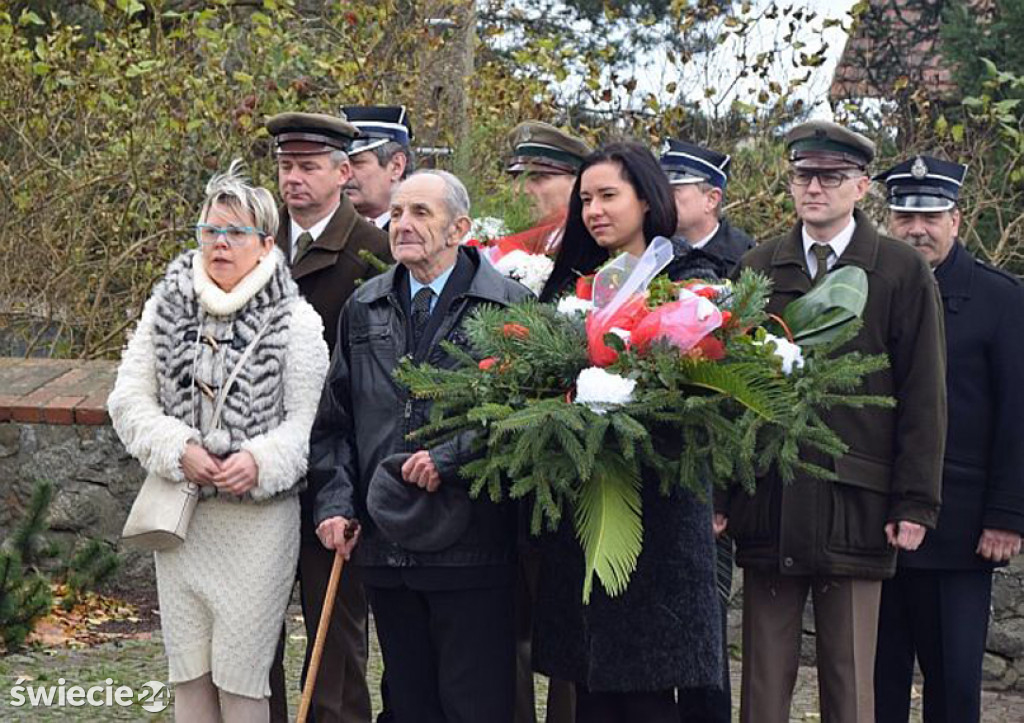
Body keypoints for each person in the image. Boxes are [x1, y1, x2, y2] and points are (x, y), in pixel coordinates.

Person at [715, 121, 947, 723]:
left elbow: (923, 396)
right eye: (802, 175)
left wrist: (915, 502)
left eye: (831, 177)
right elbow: (727, 390)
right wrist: (721, 490)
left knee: (849, 684)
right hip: (770, 498)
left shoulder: (898, 270)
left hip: (857, 500)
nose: (813, 188)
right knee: (763, 683)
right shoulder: (759, 266)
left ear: (862, 186)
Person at [107, 161, 329, 723]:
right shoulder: (165, 310)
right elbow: (128, 402)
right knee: (188, 675)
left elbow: (310, 424)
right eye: (210, 231)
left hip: (257, 524)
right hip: (182, 521)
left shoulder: (296, 320)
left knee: (242, 679)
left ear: (265, 243)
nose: (220, 243)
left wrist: (258, 460)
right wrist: (178, 447)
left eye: (235, 232)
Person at [312, 170, 533, 723]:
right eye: (398, 212)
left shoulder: (508, 307)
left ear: (460, 227)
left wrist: (451, 458)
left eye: (421, 214)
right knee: (408, 705)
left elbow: (527, 414)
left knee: (476, 706)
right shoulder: (365, 306)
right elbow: (336, 421)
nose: (403, 224)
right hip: (388, 546)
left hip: (474, 550)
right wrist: (336, 504)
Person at [535, 141, 723, 723]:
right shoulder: (569, 285)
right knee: (594, 688)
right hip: (584, 505)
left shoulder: (691, 281)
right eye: (585, 198)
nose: (594, 210)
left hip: (659, 512)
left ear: (647, 198)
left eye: (608, 195)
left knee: (648, 689)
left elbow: (706, 394)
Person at [872, 155, 1024, 723]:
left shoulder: (1002, 299)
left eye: (932, 217)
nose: (918, 229)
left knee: (955, 685)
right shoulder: (865, 290)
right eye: (906, 217)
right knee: (875, 681)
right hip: (876, 519)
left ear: (956, 220)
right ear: (888, 220)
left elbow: (1017, 413)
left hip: (960, 529)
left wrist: (1007, 514)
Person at [265, 111, 391, 723]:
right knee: (252, 639)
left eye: (309, 166)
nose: (294, 179)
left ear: (344, 173)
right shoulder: (254, 242)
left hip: (334, 472)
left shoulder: (375, 251)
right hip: (257, 470)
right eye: (286, 165)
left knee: (334, 640)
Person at [659, 140, 751, 722]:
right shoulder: (649, 258)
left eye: (677, 188)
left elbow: (745, 395)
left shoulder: (747, 262)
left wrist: (723, 489)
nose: (664, 198)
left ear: (711, 198)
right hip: (651, 464)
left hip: (707, 479)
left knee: (705, 635)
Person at [660, 137, 754, 280]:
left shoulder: (747, 259)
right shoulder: (651, 249)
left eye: (673, 191)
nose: (662, 198)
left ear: (711, 200)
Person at [502, 120, 592, 254]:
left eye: (537, 177)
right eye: (516, 177)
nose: (520, 190)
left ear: (577, 184)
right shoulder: (494, 238)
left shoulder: (594, 244)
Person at [343, 105, 415, 231]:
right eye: (342, 165)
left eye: (358, 163)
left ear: (396, 167)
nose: (346, 174)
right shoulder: (327, 229)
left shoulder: (422, 232)